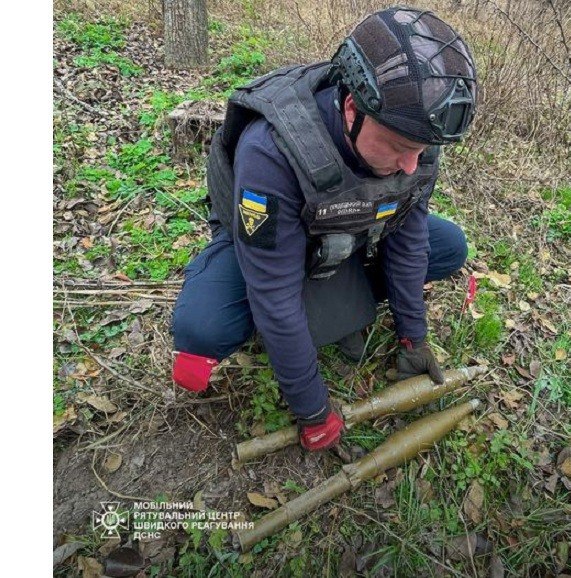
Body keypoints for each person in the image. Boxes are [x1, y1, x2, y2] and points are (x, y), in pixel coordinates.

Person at [171, 6, 478, 452]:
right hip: (275, 239)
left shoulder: (417, 133)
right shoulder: (274, 150)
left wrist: (414, 333)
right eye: (400, 148)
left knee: (447, 246)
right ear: (352, 107)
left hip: (350, 228)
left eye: (423, 151)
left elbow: (410, 239)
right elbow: (274, 294)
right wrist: (313, 409)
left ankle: (338, 294)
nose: (413, 164)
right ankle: (318, 301)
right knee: (203, 329)